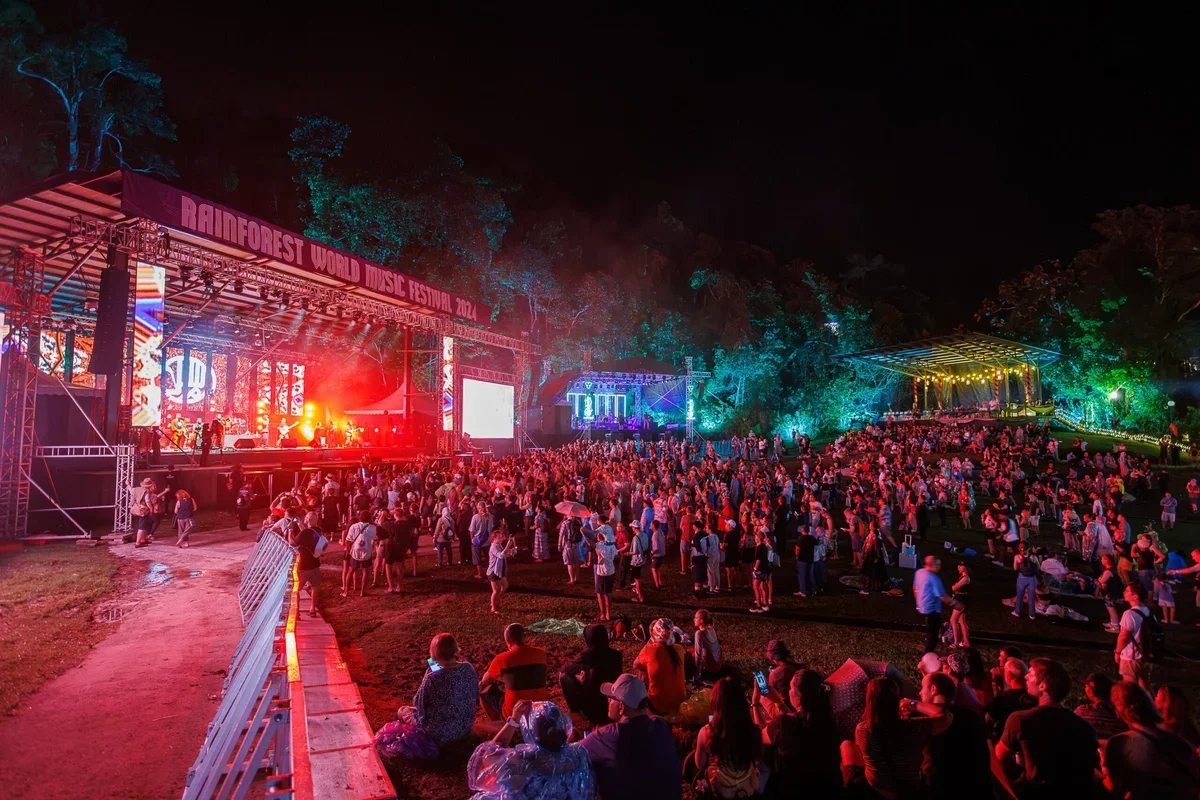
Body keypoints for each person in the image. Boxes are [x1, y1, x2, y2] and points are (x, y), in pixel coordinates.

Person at [995, 658, 1099, 798]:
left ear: (1043, 686)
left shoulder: (1021, 719)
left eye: (1030, 674)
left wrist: (1011, 788)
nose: (1025, 676)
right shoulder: (1085, 727)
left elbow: (999, 756)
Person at [841, 676, 951, 800]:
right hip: (910, 790)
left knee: (846, 744)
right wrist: (913, 704)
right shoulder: (915, 727)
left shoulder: (862, 730)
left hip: (878, 790)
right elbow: (945, 717)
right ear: (896, 699)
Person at [580, 674, 682, 800]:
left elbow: (572, 753)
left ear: (621, 707)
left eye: (612, 698)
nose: (608, 700)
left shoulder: (606, 736)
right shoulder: (661, 724)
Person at [466, 700, 594, 800]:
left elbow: (490, 754)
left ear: (532, 732)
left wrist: (514, 720)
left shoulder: (523, 761)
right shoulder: (579, 754)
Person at [1104, 681, 1200, 799]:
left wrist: (1099, 772)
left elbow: (1113, 788)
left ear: (1118, 711)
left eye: (1158, 696)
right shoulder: (1178, 739)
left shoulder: (1120, 742)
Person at [762, 669, 843, 798]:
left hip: (793, 791)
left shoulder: (784, 724)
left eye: (791, 688)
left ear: (800, 696)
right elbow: (796, 724)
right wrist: (778, 702)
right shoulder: (830, 724)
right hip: (828, 790)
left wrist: (755, 703)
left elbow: (759, 738)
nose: (789, 691)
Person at [691, 676, 770, 798]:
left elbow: (700, 764)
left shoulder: (706, 732)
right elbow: (758, 758)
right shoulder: (753, 730)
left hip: (721, 791)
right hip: (748, 789)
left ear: (715, 702)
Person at [394, 633, 478, 746]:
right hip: (465, 726)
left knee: (403, 710)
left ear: (434, 653)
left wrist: (427, 676)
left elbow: (418, 703)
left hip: (440, 733)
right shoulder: (468, 667)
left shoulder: (432, 678)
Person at [920, 670, 991, 800]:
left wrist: (913, 704)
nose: (920, 692)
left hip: (943, 789)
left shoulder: (927, 718)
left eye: (922, 687)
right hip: (975, 788)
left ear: (933, 689)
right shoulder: (971, 715)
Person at [480, 624, 548, 722]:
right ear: (523, 637)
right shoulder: (540, 654)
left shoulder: (501, 659)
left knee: (484, 692)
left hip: (514, 714)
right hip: (540, 710)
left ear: (508, 641)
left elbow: (485, 681)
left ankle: (500, 725)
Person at [560, 624, 623, 726]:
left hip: (593, 706)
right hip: (612, 701)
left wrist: (579, 676)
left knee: (564, 676)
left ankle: (575, 712)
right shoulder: (616, 655)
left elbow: (565, 669)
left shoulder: (586, 656)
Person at [632, 618, 688, 716]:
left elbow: (635, 665)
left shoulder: (649, 649)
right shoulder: (679, 648)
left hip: (658, 705)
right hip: (680, 701)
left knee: (640, 670)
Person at [984, 657, 1035, 741]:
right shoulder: (1036, 697)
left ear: (1009, 675)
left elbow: (988, 722)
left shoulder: (1000, 699)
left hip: (1006, 742)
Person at [1116, 583, 1153, 691]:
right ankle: (1150, 701)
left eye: (1127, 591)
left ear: (1135, 596)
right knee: (1144, 686)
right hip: (1144, 654)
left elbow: (1124, 636)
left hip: (1130, 656)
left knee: (1129, 689)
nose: (1124, 592)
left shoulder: (1129, 614)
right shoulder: (1147, 611)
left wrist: (1117, 652)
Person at [288, 512, 325, 617]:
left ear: (308, 520)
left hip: (304, 565)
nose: (304, 518)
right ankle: (312, 609)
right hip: (315, 563)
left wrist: (290, 530)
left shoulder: (305, 533)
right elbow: (308, 533)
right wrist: (300, 525)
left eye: (306, 517)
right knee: (314, 587)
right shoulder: (318, 530)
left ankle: (297, 612)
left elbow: (292, 542)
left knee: (296, 589)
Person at [913, 556, 951, 654]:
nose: (940, 567)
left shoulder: (919, 573)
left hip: (923, 608)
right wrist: (957, 604)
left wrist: (919, 601)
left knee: (931, 629)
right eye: (938, 564)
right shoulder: (934, 578)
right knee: (933, 632)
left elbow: (915, 588)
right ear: (933, 565)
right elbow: (943, 596)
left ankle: (928, 646)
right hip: (932, 610)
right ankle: (928, 653)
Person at [1072, 672, 1126, 740]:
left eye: (1086, 686)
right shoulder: (1122, 712)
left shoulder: (1082, 712)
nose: (1085, 689)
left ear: (1092, 689)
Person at [341, 510, 376, 597]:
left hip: (355, 552)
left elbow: (348, 540)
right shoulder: (372, 528)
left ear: (360, 517)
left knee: (351, 570)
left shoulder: (354, 526)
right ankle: (362, 592)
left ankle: (346, 591)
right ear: (370, 518)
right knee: (365, 571)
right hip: (367, 551)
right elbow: (375, 538)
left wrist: (348, 551)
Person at [487, 525, 518, 615]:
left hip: (499, 571)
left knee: (505, 586)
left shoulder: (498, 545)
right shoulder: (493, 547)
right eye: (499, 537)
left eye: (501, 537)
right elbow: (500, 555)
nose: (501, 539)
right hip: (494, 572)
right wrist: (508, 544)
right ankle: (493, 607)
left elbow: (504, 554)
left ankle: (495, 601)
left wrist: (512, 551)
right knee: (496, 590)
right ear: (494, 539)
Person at [592, 529, 618, 621]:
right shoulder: (612, 545)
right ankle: (608, 614)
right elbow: (615, 555)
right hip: (611, 570)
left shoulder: (598, 546)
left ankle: (602, 614)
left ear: (599, 537)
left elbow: (600, 558)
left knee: (599, 593)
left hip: (602, 571)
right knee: (608, 593)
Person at [692, 609, 723, 683]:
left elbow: (698, 655)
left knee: (690, 654)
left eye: (696, 618)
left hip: (710, 668)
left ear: (701, 621)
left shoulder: (699, 633)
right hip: (718, 664)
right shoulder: (711, 629)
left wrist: (698, 675)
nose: (694, 619)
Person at [1012, 541, 1039, 620]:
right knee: (1032, 597)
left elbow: (1015, 568)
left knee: (1020, 596)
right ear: (1029, 548)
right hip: (1032, 578)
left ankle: (1017, 612)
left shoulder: (1017, 557)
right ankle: (1032, 614)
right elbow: (1038, 568)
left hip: (1022, 578)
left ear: (1019, 548)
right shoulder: (1034, 557)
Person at [750, 528, 774, 614]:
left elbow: (758, 560)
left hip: (760, 570)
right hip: (765, 569)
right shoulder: (764, 546)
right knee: (762, 587)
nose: (755, 538)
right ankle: (765, 604)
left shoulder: (759, 547)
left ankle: (758, 606)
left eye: (756, 537)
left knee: (755, 587)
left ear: (758, 538)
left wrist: (755, 569)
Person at [949, 563, 971, 648]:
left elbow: (954, 588)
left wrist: (954, 586)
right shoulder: (963, 577)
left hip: (960, 602)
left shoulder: (965, 578)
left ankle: (956, 643)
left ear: (965, 567)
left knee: (953, 620)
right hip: (962, 601)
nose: (958, 567)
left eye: (960, 566)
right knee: (962, 622)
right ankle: (966, 642)